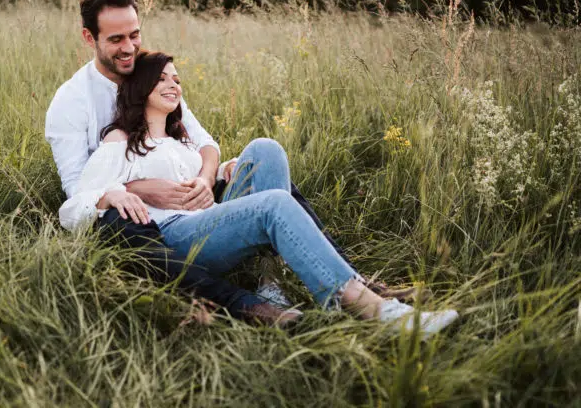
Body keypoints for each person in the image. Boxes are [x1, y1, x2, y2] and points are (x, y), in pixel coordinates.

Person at [59, 50, 460, 336]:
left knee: (264, 148)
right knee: (274, 204)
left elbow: (207, 170)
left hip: (210, 223)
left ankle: (270, 283)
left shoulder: (182, 141)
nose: (173, 84)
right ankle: (374, 309)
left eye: (176, 78)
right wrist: (111, 193)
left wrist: (226, 171)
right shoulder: (122, 141)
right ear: (141, 87)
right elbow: (72, 206)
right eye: (162, 78)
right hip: (179, 237)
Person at [46, 0, 298, 325]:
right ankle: (241, 303)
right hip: (141, 220)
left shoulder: (153, 72)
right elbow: (78, 191)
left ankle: (303, 277)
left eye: (134, 35)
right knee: (119, 223)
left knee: (263, 167)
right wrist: (134, 188)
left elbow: (202, 142)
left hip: (191, 198)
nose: (129, 47)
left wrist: (207, 178)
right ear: (89, 39)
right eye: (116, 39)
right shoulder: (71, 100)